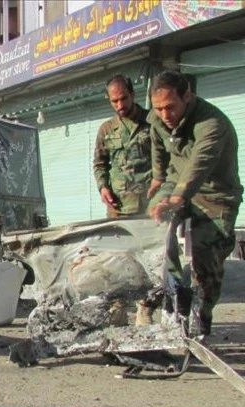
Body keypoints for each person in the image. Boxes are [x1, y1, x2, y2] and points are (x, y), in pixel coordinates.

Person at [146, 70, 242, 338]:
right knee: (152, 233)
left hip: (214, 194)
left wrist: (177, 198)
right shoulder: (156, 117)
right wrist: (158, 182)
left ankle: (203, 311)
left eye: (170, 107)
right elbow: (158, 150)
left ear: (187, 96)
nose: (165, 114)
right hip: (174, 183)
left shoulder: (212, 123)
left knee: (206, 260)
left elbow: (199, 166)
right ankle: (172, 296)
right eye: (158, 108)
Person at [92, 74, 152, 219]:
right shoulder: (106, 129)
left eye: (123, 98)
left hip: (150, 205)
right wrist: (103, 187)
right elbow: (100, 164)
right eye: (114, 101)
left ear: (132, 94)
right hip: (119, 209)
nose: (120, 105)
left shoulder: (152, 121)